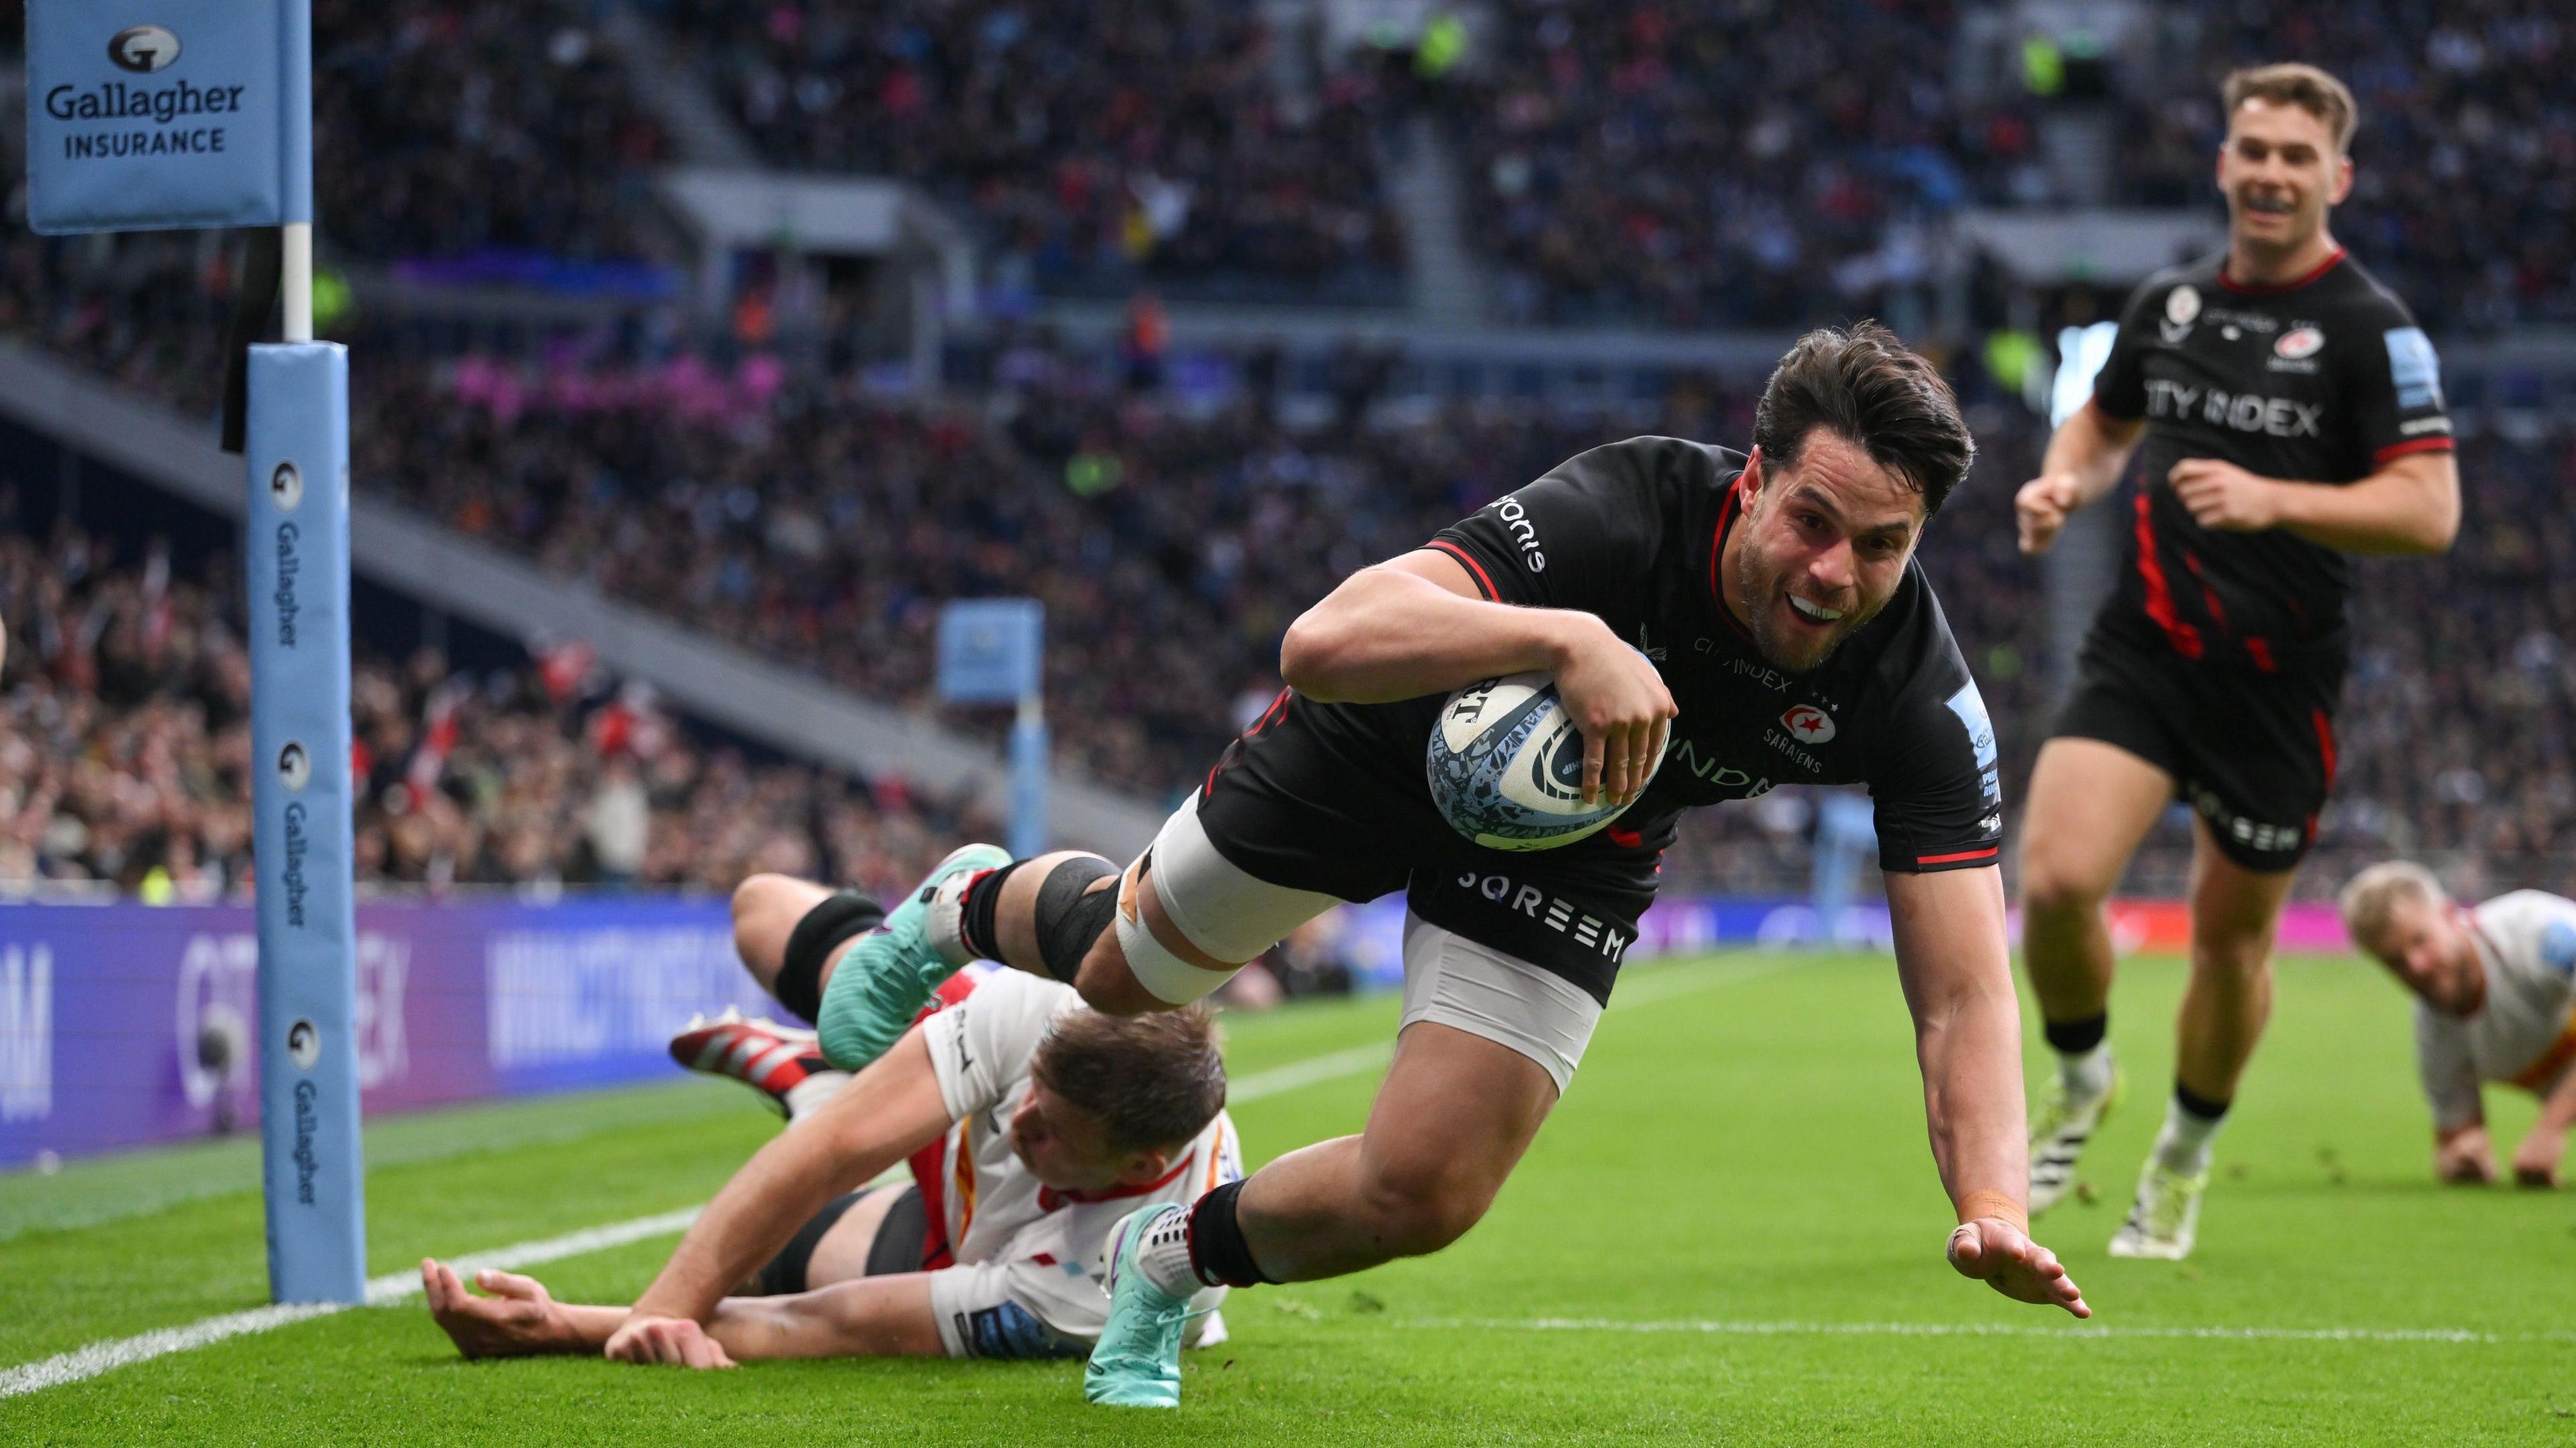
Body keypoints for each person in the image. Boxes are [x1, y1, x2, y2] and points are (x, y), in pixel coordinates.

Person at [794, 321, 2085, 1408]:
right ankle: (962, 898)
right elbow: (1326, 635)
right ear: (1754, 480)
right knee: (1120, 977)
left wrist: (1990, 1196)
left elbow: (1963, 990)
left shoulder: (1917, 690)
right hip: (1375, 746)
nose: (1833, 571)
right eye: (1814, 520)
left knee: (1427, 1189)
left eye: (1882, 544)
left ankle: (1167, 1257)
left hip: (1585, 833)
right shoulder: (1628, 506)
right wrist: (1565, 636)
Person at [2012, 62, 2461, 1259]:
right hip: (2147, 649)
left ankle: (2185, 1156)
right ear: (2223, 163)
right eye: (2252, 149)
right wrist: (2068, 479)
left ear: (2337, 177)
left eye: (2296, 156)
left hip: (2279, 683)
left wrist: (2272, 497)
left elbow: (2430, 510)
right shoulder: (2168, 307)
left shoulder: (2373, 329)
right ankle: (2081, 1069)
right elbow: (2104, 424)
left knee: (2229, 942)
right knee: (2053, 882)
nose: (2269, 171)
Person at [421, 875, 1240, 1366]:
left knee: (762, 1273)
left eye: (1053, 1132)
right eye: (1031, 1092)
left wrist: (567, 1324)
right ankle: (838, 1070)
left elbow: (824, 1323)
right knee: (761, 907)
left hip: (967, 1240)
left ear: (1139, 1169)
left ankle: (817, 1078)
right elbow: (830, 1152)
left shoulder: (1100, 1293)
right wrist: (664, 1305)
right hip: (956, 1144)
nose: (1021, 1124)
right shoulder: (1044, 1009)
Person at [2337, 862, 2576, 1190]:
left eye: (2420, 941)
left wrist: (2549, 1129)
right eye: (2395, 962)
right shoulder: (2435, 1034)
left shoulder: (2537, 932)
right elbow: (2457, 1135)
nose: (2416, 966)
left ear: (2450, 915)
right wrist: (2463, 1158)